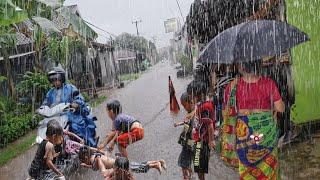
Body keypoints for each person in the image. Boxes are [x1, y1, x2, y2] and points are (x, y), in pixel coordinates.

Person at [223, 61, 285, 179]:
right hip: (266, 135)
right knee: (269, 168)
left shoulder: (232, 86)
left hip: (243, 136)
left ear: (241, 66)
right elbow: (280, 108)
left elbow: (226, 113)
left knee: (247, 170)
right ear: (258, 65)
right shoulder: (268, 83)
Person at [78, 146, 166, 179]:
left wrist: (86, 166)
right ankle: (158, 162)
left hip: (118, 165)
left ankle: (155, 165)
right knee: (136, 166)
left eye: (83, 160)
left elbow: (98, 169)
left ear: (86, 157)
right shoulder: (95, 154)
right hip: (117, 162)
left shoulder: (93, 159)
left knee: (136, 168)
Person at [187, 81, 215, 180]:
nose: (190, 98)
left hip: (201, 143)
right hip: (198, 141)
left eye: (192, 96)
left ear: (200, 95)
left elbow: (210, 124)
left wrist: (211, 140)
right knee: (198, 166)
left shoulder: (205, 107)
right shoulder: (200, 104)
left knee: (199, 168)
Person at [174, 92, 195, 180]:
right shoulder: (190, 112)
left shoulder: (194, 114)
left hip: (189, 141)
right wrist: (179, 123)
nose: (184, 108)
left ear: (191, 102)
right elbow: (187, 122)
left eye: (184, 105)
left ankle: (186, 177)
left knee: (183, 162)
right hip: (188, 141)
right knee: (187, 160)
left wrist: (190, 143)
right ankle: (190, 174)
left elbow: (193, 129)